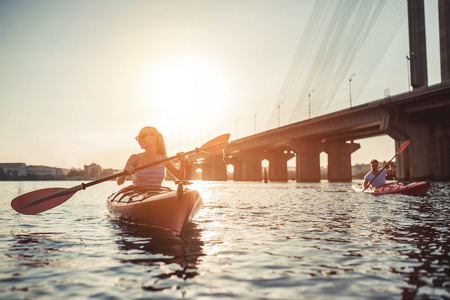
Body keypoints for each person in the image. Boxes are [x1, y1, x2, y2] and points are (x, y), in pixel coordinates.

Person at [116, 126, 185, 187]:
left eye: (143, 136)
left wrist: (182, 161)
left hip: (156, 194)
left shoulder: (164, 159)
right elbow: (119, 182)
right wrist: (124, 173)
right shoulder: (135, 158)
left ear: (154, 138)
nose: (140, 140)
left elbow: (180, 177)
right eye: (138, 137)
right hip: (138, 195)